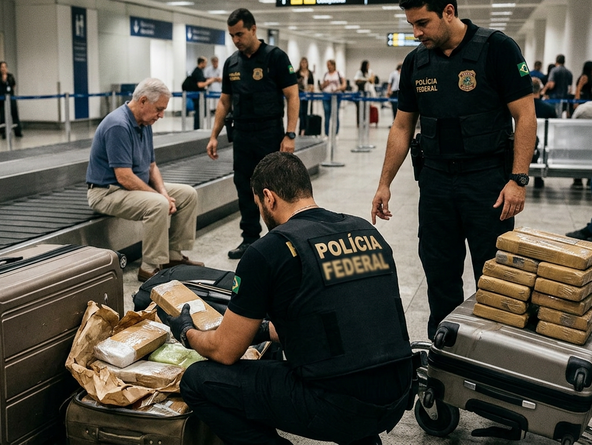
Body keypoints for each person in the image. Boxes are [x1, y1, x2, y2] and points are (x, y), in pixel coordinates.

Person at [172, 152, 415, 445]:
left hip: (337, 405)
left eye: (259, 204)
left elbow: (225, 351)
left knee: (198, 381)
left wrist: (188, 332)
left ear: (268, 197)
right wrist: (262, 330)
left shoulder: (268, 251)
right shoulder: (366, 231)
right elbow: (337, 318)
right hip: (398, 395)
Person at [371, 0, 536, 339]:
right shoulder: (417, 63)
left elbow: (525, 116)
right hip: (436, 183)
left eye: (422, 23)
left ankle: (494, 354)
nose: (416, 33)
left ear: (448, 12)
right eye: (412, 24)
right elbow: (401, 128)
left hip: (488, 183)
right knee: (440, 274)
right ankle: (445, 351)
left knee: (493, 276)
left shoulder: (497, 48)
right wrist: (384, 183)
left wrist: (518, 179)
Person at [86, 78, 203, 282]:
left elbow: (151, 166)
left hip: (130, 187)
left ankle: (173, 256)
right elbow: (124, 177)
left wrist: (165, 193)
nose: (161, 115)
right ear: (142, 101)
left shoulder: (145, 122)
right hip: (107, 192)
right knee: (157, 204)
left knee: (187, 194)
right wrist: (161, 198)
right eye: (159, 109)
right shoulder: (118, 125)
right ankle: (150, 268)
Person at [206, 8, 299, 260]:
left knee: (275, 187)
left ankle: (282, 239)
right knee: (244, 186)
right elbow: (225, 102)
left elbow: (292, 95)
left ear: (253, 29)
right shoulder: (231, 63)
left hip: (270, 132)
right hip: (243, 135)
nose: (236, 40)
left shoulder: (275, 57)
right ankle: (249, 239)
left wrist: (290, 134)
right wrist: (214, 135)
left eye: (240, 34)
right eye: (232, 35)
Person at [0, 61, 22, 138]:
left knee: (14, 114)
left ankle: (18, 131)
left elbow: (13, 85)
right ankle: (3, 132)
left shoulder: (10, 76)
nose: (3, 69)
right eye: (2, 67)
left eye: (5, 67)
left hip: (11, 97)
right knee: (2, 116)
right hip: (2, 98)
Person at [190, 57, 219, 130]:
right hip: (197, 95)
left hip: (200, 95)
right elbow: (200, 84)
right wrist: (210, 81)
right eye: (205, 63)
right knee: (198, 112)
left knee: (200, 112)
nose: (206, 64)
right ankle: (197, 128)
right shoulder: (197, 72)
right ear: (201, 63)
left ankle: (199, 127)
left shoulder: (200, 71)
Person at [319, 59, 347, 135]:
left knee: (335, 114)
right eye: (327, 65)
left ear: (333, 65)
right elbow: (321, 87)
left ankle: (335, 132)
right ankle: (327, 132)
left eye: (330, 65)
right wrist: (325, 84)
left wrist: (338, 88)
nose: (328, 67)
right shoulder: (325, 74)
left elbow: (344, 85)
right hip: (326, 95)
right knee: (326, 114)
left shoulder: (339, 73)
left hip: (336, 95)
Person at [354, 60, 376, 125]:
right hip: (360, 92)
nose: (368, 67)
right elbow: (356, 80)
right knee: (359, 108)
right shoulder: (359, 72)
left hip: (368, 92)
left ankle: (365, 121)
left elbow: (372, 80)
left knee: (366, 108)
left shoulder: (370, 72)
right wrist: (366, 79)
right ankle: (359, 122)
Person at [296, 57, 314, 135]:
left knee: (305, 111)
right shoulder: (297, 73)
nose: (303, 64)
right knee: (300, 112)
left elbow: (312, 83)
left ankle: (304, 129)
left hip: (307, 94)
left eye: (305, 63)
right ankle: (301, 128)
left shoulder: (310, 73)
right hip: (299, 94)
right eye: (302, 63)